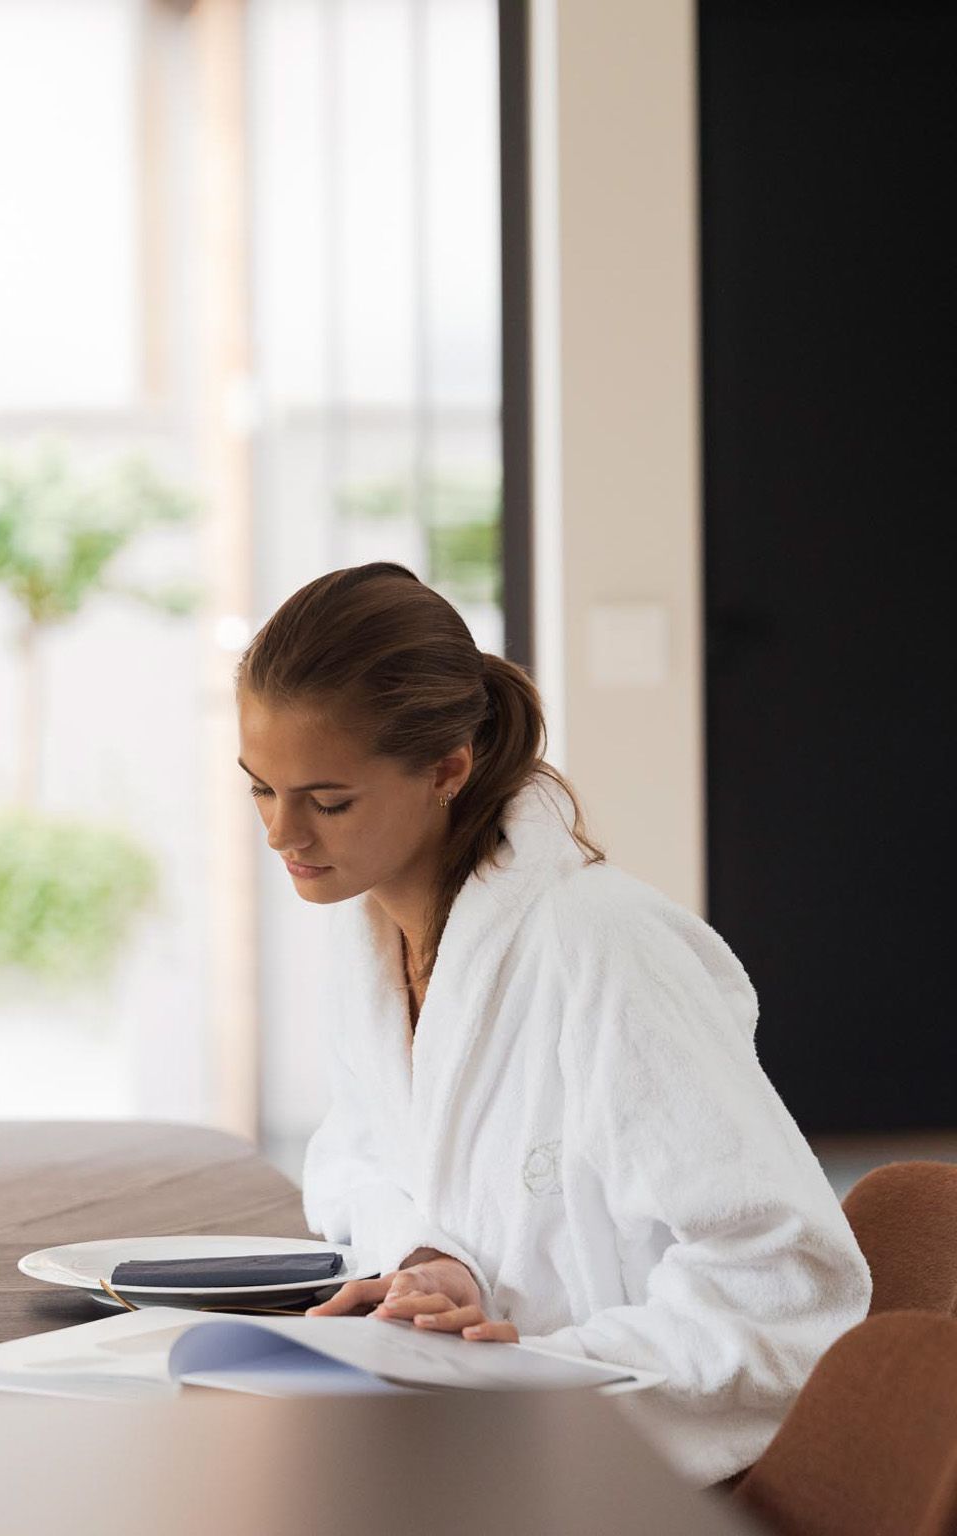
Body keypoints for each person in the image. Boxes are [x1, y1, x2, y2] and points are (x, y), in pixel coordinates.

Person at [237, 562, 869, 1484]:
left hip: (628, 1473)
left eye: (327, 801)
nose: (281, 834)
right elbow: (360, 1160)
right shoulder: (370, 940)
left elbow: (788, 1284)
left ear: (447, 769)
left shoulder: (604, 946)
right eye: (259, 788)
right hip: (468, 1443)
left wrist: (543, 1376)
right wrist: (436, 1258)